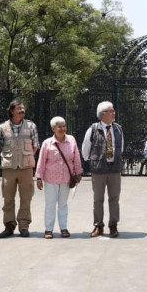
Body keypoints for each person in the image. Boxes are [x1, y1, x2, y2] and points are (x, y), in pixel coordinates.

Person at [0, 100, 39, 238]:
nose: (22, 109)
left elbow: (35, 145)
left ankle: (24, 226)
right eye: (19, 108)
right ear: (11, 111)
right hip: (9, 168)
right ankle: (9, 226)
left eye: (23, 107)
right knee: (8, 198)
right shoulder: (2, 128)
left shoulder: (31, 126)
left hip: (26, 168)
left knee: (26, 198)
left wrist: (26, 157)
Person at [82, 101, 124, 238]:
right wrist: (94, 161)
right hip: (99, 170)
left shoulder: (118, 128)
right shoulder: (93, 129)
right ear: (102, 114)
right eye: (111, 111)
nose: (114, 113)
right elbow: (85, 150)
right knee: (98, 199)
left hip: (114, 170)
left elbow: (121, 147)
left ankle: (113, 225)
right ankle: (98, 225)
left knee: (114, 198)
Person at [36, 116, 83, 239]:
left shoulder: (71, 140)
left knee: (63, 204)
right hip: (50, 178)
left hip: (66, 178)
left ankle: (63, 228)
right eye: (59, 126)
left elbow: (76, 157)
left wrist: (78, 172)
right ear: (53, 129)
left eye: (64, 126)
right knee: (50, 204)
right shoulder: (47, 143)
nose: (62, 128)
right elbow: (41, 161)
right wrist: (39, 177)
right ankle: (48, 229)